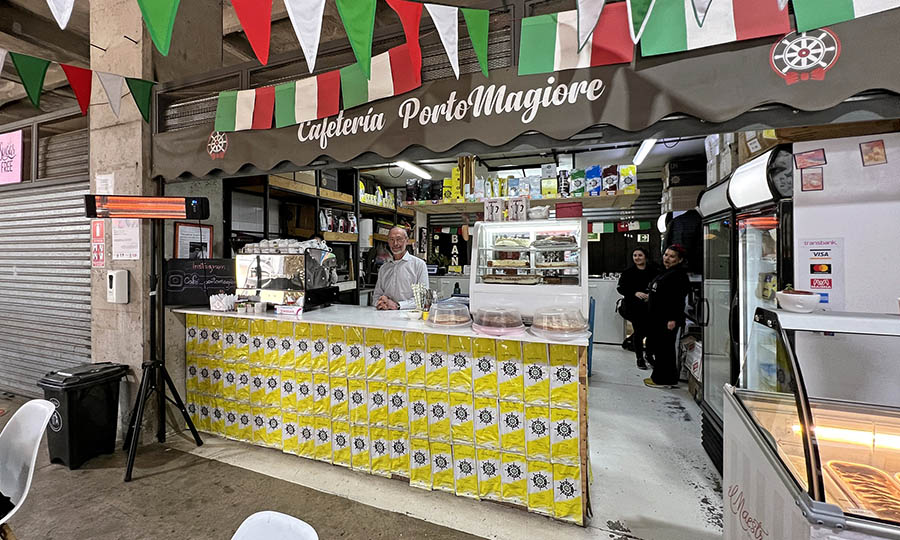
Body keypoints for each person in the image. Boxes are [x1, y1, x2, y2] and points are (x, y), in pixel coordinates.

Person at [644, 244, 691, 388]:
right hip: (658, 317)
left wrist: (673, 319)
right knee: (661, 348)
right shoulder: (665, 272)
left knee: (665, 350)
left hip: (667, 319)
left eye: (672, 256)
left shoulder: (678, 275)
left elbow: (677, 299)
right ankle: (667, 378)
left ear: (680, 259)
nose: (667, 258)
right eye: (666, 255)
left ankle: (662, 380)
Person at [617, 247, 658, 370]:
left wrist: (651, 295)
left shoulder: (654, 271)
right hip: (633, 307)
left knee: (651, 332)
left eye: (640, 255)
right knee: (639, 332)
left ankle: (649, 355)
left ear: (645, 256)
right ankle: (640, 358)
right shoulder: (628, 272)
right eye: (635, 255)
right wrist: (635, 293)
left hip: (650, 307)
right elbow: (621, 288)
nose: (637, 258)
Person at [374, 226, 429, 310]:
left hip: (410, 317)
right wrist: (381, 302)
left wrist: (398, 305)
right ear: (388, 242)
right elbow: (376, 295)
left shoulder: (418, 265)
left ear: (407, 241)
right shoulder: (384, 268)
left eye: (399, 239)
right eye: (391, 239)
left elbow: (422, 298)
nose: (395, 243)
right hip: (385, 316)